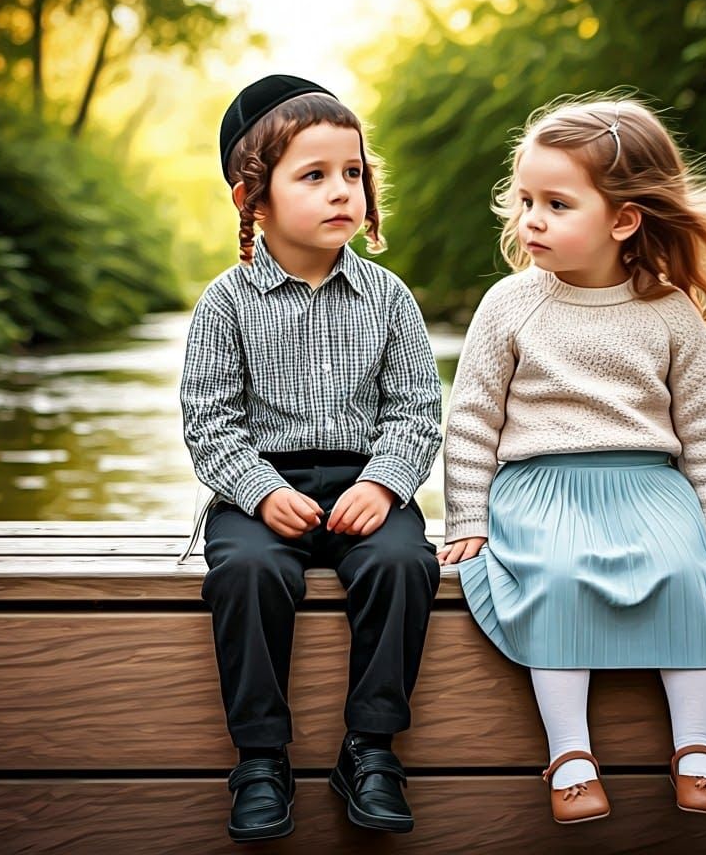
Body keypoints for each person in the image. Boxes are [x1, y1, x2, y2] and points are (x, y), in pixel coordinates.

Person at [439, 94, 706, 823]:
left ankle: (696, 748)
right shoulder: (510, 305)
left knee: (687, 571)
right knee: (556, 575)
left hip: (648, 485)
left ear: (623, 219)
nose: (529, 219)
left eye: (556, 204)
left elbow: (705, 423)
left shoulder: (668, 311)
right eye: (525, 199)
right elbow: (472, 419)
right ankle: (570, 753)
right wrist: (466, 516)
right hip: (539, 488)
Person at [181, 74, 442, 842]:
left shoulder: (389, 298)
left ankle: (370, 749)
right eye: (315, 176)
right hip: (262, 491)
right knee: (248, 571)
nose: (342, 192)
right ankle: (260, 759)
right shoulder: (225, 304)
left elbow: (418, 412)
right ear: (251, 201)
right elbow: (209, 422)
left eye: (353, 174)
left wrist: (386, 482)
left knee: (404, 565)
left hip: (366, 482)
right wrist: (259, 492)